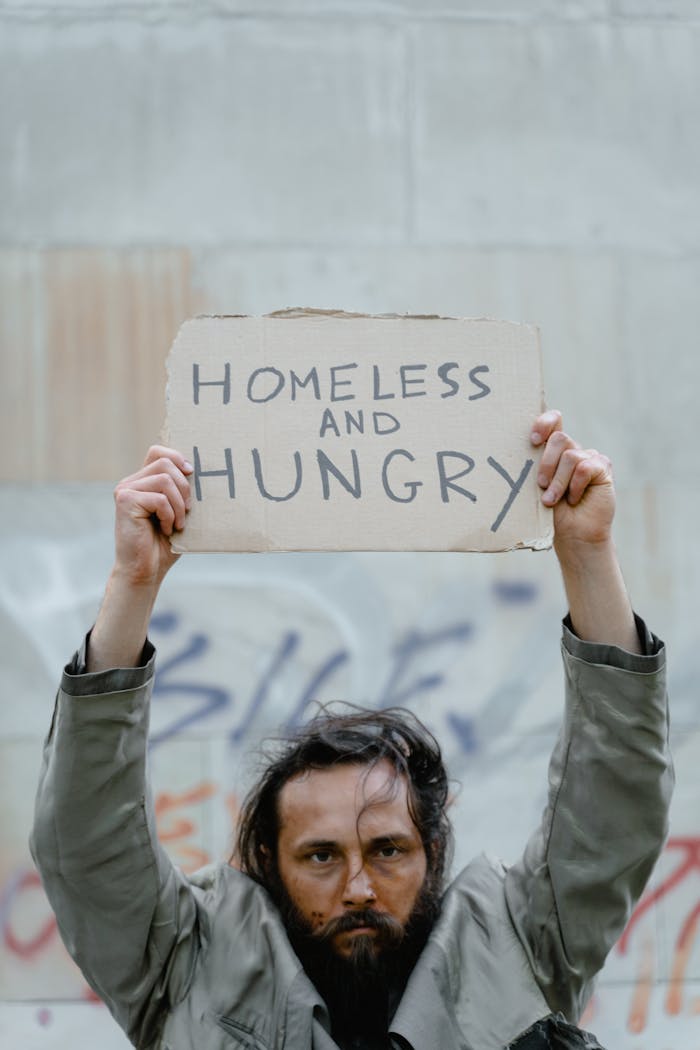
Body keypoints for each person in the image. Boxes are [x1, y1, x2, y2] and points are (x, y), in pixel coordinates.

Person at [30, 410, 672, 1050]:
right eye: (321, 856)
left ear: (433, 852)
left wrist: (587, 553)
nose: (359, 889)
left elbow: (612, 810)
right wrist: (135, 581)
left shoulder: (517, 951)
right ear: (269, 864)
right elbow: (90, 843)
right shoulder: (189, 964)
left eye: (388, 851)